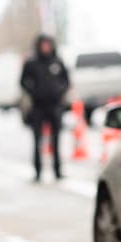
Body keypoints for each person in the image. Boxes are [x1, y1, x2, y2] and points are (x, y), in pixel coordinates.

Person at [20, 34, 70, 181]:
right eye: (43, 45)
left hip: (54, 106)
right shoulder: (32, 63)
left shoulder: (57, 61)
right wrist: (34, 92)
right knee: (37, 141)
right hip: (38, 107)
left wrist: (59, 92)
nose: (46, 47)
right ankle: (38, 171)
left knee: (56, 140)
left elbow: (66, 80)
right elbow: (23, 81)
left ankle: (57, 170)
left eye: (48, 44)